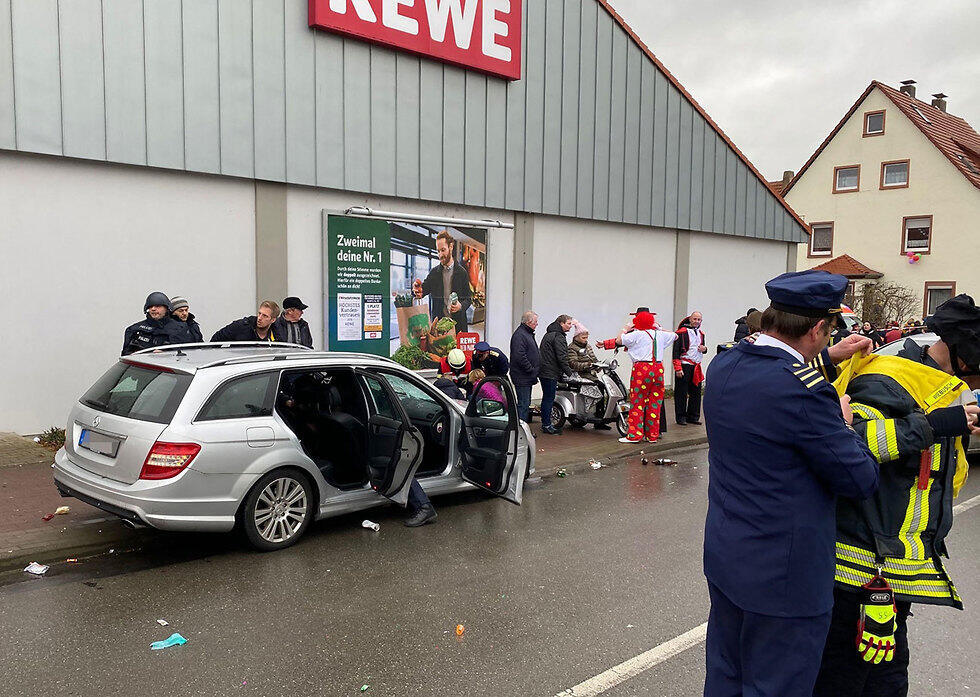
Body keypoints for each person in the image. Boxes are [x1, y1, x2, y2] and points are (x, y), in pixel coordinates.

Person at [701, 270, 879, 697]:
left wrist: (828, 358)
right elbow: (858, 478)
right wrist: (844, 422)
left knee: (726, 676)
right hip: (784, 577)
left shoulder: (725, 363)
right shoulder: (806, 392)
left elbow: (772, 379)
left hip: (729, 556)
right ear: (819, 327)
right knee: (777, 685)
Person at [812, 294, 980, 697]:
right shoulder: (888, 380)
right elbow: (852, 445)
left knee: (885, 681)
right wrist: (931, 426)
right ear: (965, 356)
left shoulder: (936, 385)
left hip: (889, 568)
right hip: (860, 569)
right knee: (844, 681)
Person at [599, 309, 677, 443]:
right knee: (654, 404)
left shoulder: (637, 334)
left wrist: (626, 328)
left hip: (642, 369)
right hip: (658, 369)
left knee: (638, 402)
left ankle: (635, 435)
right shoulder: (660, 334)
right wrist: (659, 327)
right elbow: (675, 335)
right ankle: (652, 435)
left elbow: (619, 340)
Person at [412, 230, 472, 333]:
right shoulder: (434, 273)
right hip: (438, 327)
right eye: (438, 251)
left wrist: (460, 306)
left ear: (451, 247)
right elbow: (423, 290)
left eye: (443, 250)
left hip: (458, 326)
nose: (440, 255)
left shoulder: (462, 272)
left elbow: (468, 298)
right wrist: (418, 290)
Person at [539, 314, 576, 435]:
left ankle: (546, 423)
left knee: (547, 398)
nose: (571, 326)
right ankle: (547, 425)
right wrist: (570, 373)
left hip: (545, 371)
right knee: (549, 399)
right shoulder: (558, 336)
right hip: (550, 372)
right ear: (561, 323)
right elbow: (562, 357)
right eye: (568, 323)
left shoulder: (549, 334)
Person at [122, 291, 190, 355]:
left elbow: (187, 355)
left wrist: (166, 354)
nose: (153, 309)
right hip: (141, 367)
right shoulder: (134, 329)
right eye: (150, 306)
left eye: (157, 306)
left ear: (167, 308)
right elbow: (125, 356)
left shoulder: (181, 328)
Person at [673, 311, 707, 425]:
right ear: (690, 319)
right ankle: (681, 417)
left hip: (696, 366)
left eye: (699, 319)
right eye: (695, 319)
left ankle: (693, 416)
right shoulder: (681, 333)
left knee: (696, 392)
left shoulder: (701, 334)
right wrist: (678, 368)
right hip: (684, 365)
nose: (696, 321)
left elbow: (702, 349)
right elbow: (676, 352)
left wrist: (704, 349)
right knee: (681, 393)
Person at [510, 311, 541, 423]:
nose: (537, 324)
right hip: (523, 376)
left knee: (525, 403)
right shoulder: (520, 335)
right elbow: (519, 356)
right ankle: (520, 429)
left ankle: (522, 427)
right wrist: (531, 370)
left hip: (526, 376)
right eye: (535, 322)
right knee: (523, 404)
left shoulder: (526, 334)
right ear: (529, 322)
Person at [211, 301, 280, 342]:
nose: (259, 318)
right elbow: (216, 340)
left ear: (273, 320)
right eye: (259, 313)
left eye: (265, 316)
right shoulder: (241, 326)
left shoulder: (277, 333)